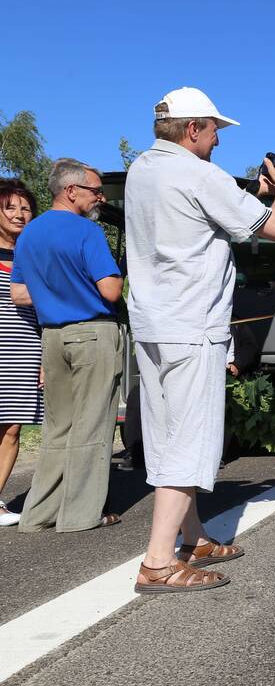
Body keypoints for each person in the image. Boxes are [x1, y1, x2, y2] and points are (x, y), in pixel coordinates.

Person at [125, 86, 275, 593]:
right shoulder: (198, 172)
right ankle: (158, 562)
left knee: (163, 434)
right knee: (191, 439)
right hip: (193, 324)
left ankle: (193, 535)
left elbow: (208, 221)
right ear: (193, 128)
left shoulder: (142, 170)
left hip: (154, 321)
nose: (218, 140)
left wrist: (257, 196)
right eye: (215, 130)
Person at [10, 160, 124, 532]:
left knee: (58, 427)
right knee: (93, 423)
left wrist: (53, 292)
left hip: (52, 337)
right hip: (92, 332)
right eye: (95, 190)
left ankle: (39, 513)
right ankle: (80, 515)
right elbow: (110, 289)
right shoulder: (86, 231)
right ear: (71, 191)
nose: (100, 198)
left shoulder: (29, 234)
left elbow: (18, 294)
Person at [0, 180, 44, 526]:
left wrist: (46, 356)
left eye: (26, 208)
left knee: (12, 428)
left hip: (26, 345)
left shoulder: (34, 253)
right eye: (10, 207)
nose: (19, 214)